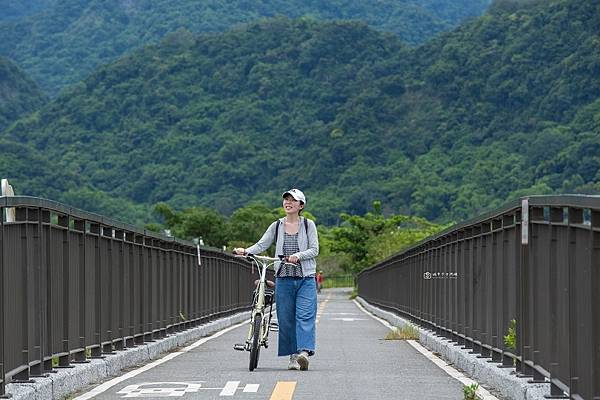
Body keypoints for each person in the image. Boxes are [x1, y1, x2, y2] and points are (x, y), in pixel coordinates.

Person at [233, 188, 319, 371]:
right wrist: (246, 251)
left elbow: (314, 249)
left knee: (305, 316)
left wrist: (298, 256)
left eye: (293, 200)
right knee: (286, 319)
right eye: (286, 200)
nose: (288, 203)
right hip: (284, 278)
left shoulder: (308, 225)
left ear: (301, 205)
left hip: (306, 278)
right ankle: (293, 358)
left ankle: (304, 352)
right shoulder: (277, 226)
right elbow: (262, 244)